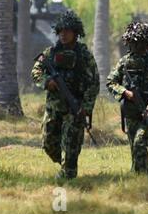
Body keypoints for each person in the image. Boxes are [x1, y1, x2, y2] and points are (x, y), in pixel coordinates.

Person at [31, 10, 100, 180]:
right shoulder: (50, 53)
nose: (63, 34)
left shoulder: (84, 55)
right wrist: (48, 82)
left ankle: (68, 175)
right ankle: (64, 164)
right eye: (61, 31)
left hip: (74, 109)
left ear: (76, 33)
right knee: (48, 145)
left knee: (70, 147)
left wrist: (86, 107)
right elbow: (36, 71)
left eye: (67, 31)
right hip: (54, 108)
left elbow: (94, 83)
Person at [106, 22, 148, 174]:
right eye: (133, 43)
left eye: (140, 43)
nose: (136, 46)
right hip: (131, 112)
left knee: (140, 142)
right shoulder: (125, 62)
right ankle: (141, 174)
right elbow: (110, 82)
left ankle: (144, 175)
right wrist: (125, 92)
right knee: (134, 148)